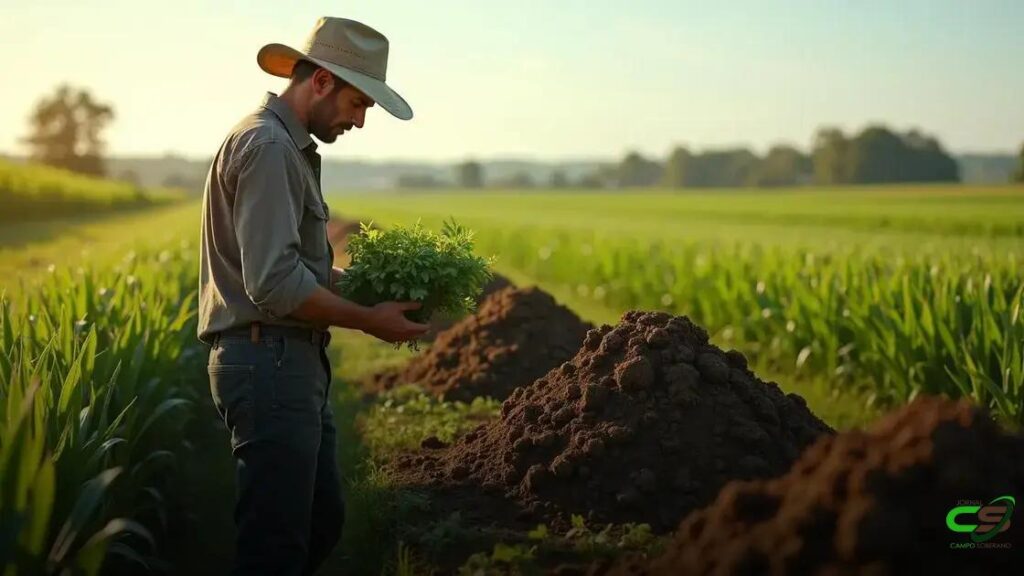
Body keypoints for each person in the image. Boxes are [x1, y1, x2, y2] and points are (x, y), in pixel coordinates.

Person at [197, 16, 427, 575]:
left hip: (286, 361)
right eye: (358, 103)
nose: (360, 121)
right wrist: (368, 322)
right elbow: (274, 284)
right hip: (268, 363)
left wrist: (376, 292)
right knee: (276, 547)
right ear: (320, 82)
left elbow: (300, 268)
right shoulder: (269, 147)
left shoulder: (287, 148)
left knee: (320, 524)